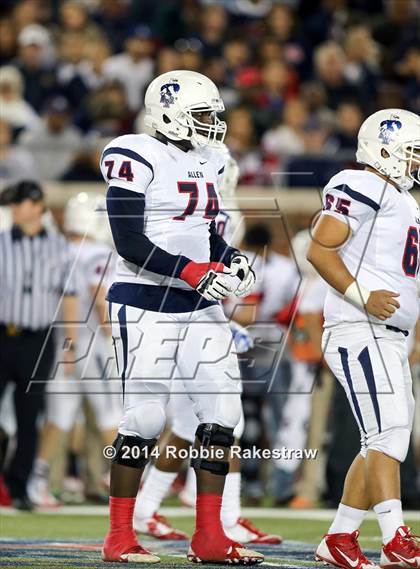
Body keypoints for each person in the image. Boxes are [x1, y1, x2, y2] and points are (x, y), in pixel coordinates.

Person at [99, 69, 263, 564]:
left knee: (222, 414)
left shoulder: (210, 160)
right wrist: (192, 270)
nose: (213, 123)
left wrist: (229, 258)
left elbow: (203, 232)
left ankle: (210, 536)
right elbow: (129, 243)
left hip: (197, 303)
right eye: (203, 113)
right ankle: (119, 536)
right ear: (167, 111)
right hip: (145, 298)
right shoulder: (135, 153)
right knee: (146, 417)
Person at [307, 109, 420, 569]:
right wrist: (363, 295)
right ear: (386, 147)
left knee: (380, 438)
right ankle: (395, 537)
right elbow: (320, 248)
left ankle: (339, 537)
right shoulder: (363, 184)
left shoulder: (403, 200)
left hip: (388, 333)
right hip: (360, 327)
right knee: (389, 433)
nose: (416, 161)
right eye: (412, 151)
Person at [27, 192, 121, 507]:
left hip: (57, 347)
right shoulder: (98, 253)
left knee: (59, 419)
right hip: (89, 345)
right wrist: (115, 339)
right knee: (111, 416)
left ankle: (36, 480)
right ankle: (135, 484)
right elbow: (98, 298)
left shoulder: (53, 251)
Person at [0, 180, 77, 510]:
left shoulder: (59, 248)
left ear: (36, 205)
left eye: (20, 203)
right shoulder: (1, 243)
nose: (15, 209)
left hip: (39, 340)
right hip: (3, 334)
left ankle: (19, 487)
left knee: (29, 417)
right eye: (13, 204)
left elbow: (69, 297)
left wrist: (70, 343)